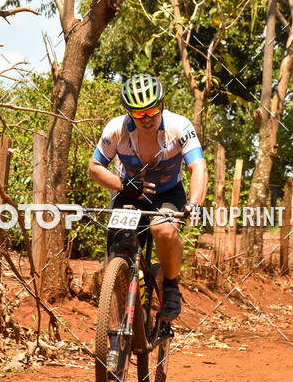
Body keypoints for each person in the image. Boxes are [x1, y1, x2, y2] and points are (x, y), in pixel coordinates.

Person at [88, 73, 208, 320]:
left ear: (161, 106)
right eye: (139, 113)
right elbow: (94, 168)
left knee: (163, 230)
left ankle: (171, 286)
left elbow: (198, 167)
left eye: (151, 111)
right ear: (129, 113)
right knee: (118, 250)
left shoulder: (179, 126)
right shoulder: (116, 130)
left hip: (168, 193)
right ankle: (128, 303)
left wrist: (195, 203)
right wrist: (123, 183)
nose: (146, 118)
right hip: (129, 194)